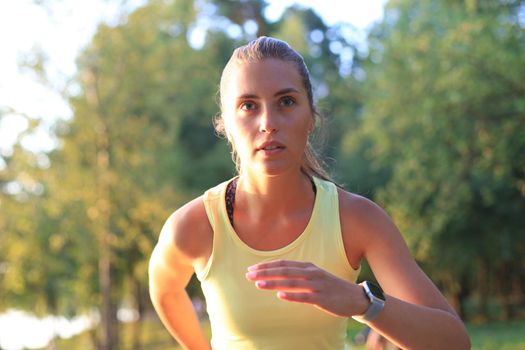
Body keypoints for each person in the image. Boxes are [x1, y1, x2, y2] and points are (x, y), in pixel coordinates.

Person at [148, 36, 471, 350]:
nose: (269, 123)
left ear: (311, 116)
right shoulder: (194, 225)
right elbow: (164, 290)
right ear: (226, 124)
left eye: (286, 101)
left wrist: (360, 302)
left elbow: (453, 342)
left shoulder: (357, 219)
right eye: (248, 105)